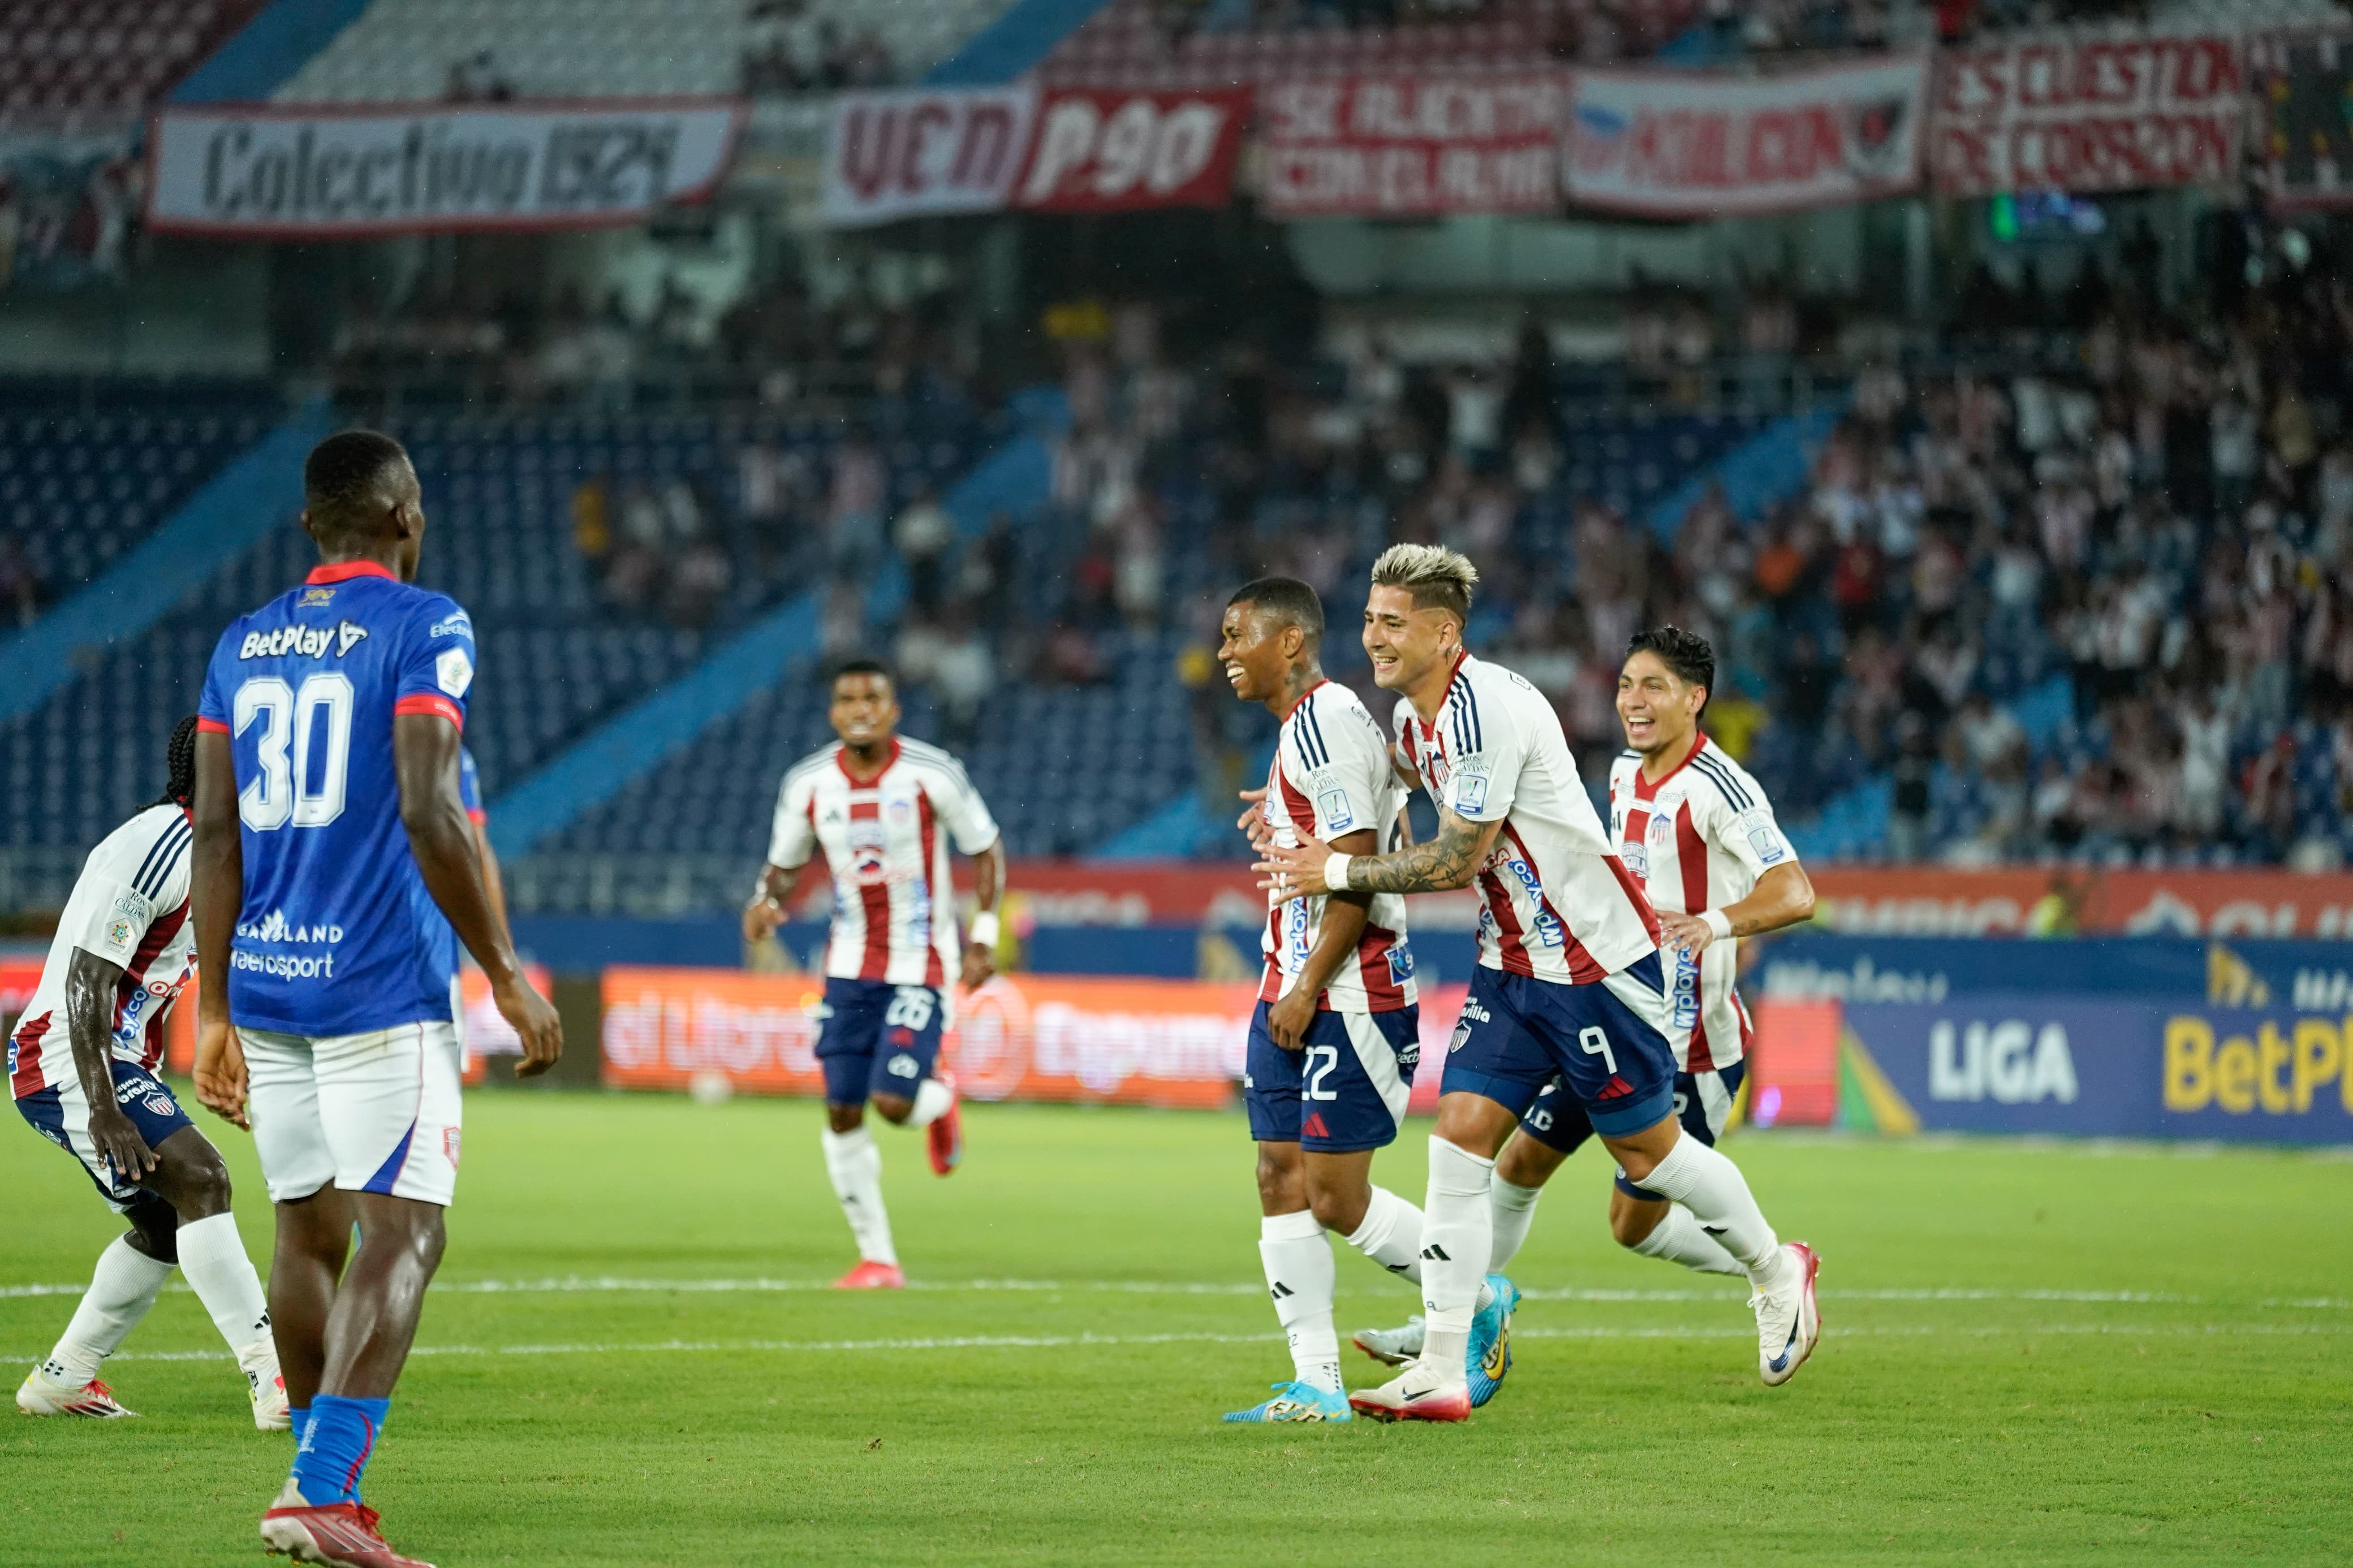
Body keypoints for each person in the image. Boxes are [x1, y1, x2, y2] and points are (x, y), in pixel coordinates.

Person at [1257, 545, 1820, 1422]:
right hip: (1512, 963)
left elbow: (1456, 856)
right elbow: (1384, 789)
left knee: (1651, 1157)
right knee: (1459, 1139)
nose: (1371, 637)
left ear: (1446, 633)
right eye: (1368, 619)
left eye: (1392, 622)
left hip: (1597, 965)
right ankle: (1445, 1364)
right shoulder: (1414, 719)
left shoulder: (1488, 709)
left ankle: (1774, 1266)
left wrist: (1334, 872)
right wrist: (1292, 803)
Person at [189, 429, 563, 1568]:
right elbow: (427, 806)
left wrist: (209, 1011)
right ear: (406, 516)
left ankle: (312, 1477)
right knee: (408, 1229)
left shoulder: (242, 642)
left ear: (310, 524)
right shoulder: (425, 622)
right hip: (378, 988)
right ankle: (320, 1491)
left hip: (264, 983)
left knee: (307, 1230)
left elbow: (214, 829)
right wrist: (504, 970)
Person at [1354, 627, 1817, 1367]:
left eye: (1654, 687)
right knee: (1512, 1166)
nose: (1633, 701)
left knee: (1635, 1217)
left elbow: (1796, 891)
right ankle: (1462, 1319)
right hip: (1602, 992)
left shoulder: (1719, 785)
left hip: (1689, 1038)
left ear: (1696, 700)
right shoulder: (1626, 773)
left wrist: (1712, 923)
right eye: (1627, 684)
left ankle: (1775, 1266)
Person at [1213, 577, 1505, 1424]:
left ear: (1291, 642)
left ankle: (1473, 1291)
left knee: (1337, 1195)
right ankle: (1318, 1384)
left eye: (1239, 635)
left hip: (1349, 994)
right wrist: (1277, 818)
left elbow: (1352, 867)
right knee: (1277, 1175)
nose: (1227, 651)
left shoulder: (1327, 721)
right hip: (1288, 983)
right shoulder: (1297, 736)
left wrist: (1309, 986)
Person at [10, 717, 286, 1428]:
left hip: (117, 1058)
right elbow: (86, 979)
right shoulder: (160, 844)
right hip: (67, 1055)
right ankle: (273, 1375)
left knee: (168, 1224)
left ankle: (64, 1376)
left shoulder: (229, 853)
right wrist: (105, 1108)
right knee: (204, 1177)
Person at [742, 658, 1003, 1289]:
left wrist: (983, 937)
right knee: (840, 1109)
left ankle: (938, 1104)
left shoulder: (931, 772)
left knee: (892, 1100)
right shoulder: (807, 783)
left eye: (872, 697)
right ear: (833, 713)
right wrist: (765, 899)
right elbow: (784, 863)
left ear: (893, 710)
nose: (860, 708)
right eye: (847, 699)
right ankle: (878, 1258)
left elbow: (984, 847)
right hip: (847, 965)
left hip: (922, 961)